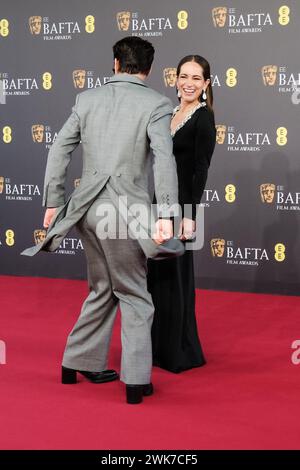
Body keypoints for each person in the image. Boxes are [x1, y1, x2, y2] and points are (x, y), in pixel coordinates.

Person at [22, 36, 184, 404]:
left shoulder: (87, 99)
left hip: (86, 211)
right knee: (134, 295)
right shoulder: (157, 103)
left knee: (102, 288)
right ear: (149, 69)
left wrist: (54, 201)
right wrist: (167, 213)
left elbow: (59, 147)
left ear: (114, 63)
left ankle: (74, 361)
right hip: (125, 214)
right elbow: (163, 158)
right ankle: (135, 382)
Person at [148, 55, 216, 373]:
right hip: (159, 205)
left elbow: (199, 169)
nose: (188, 82)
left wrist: (190, 215)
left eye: (195, 78)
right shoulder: (171, 113)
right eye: (183, 76)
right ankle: (157, 347)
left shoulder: (203, 118)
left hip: (182, 209)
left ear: (206, 84)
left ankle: (180, 350)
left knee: (176, 278)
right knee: (157, 277)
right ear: (175, 79)